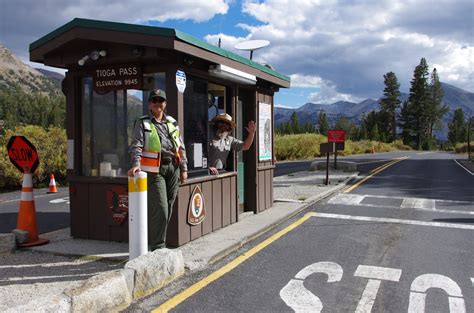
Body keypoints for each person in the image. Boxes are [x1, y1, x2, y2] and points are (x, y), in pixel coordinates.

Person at [128, 89, 187, 250]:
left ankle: (159, 241)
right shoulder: (143, 122)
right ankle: (158, 247)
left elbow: (180, 147)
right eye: (154, 100)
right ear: (149, 104)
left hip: (173, 168)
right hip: (155, 171)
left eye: (160, 100)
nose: (157, 103)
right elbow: (136, 145)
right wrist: (136, 164)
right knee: (160, 209)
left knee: (168, 206)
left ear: (165, 104)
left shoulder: (172, 123)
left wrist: (183, 169)